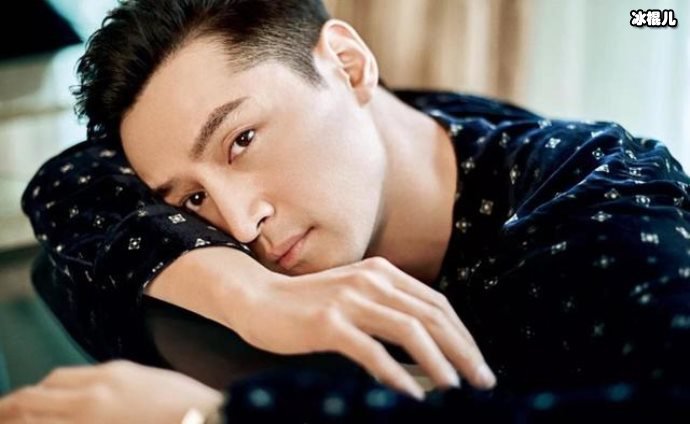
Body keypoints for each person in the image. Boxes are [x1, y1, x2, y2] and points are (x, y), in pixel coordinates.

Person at [10, 0, 690, 421]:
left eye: (241, 140)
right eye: (193, 199)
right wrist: (252, 296)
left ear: (348, 64)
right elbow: (71, 180)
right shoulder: (377, 127)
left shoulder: (601, 202)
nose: (240, 224)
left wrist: (214, 418)